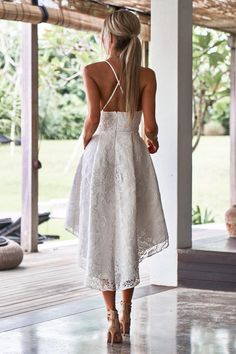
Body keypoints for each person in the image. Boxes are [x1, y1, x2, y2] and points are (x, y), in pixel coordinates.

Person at [64, 9, 169, 346]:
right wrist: (151, 140)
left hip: (101, 155)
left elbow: (92, 118)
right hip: (131, 154)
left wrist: (85, 145)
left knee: (103, 232)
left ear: (108, 35)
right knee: (127, 230)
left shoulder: (92, 70)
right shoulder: (146, 74)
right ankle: (126, 312)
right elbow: (149, 127)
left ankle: (109, 317)